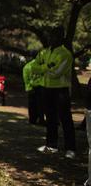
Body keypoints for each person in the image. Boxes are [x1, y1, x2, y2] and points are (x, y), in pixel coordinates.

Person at [34, 27, 75, 158]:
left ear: (61, 37)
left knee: (65, 119)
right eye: (50, 36)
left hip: (61, 90)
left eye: (55, 36)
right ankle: (51, 145)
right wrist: (47, 67)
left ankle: (70, 148)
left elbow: (56, 73)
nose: (51, 39)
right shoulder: (44, 52)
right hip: (46, 88)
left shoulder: (65, 54)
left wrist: (43, 68)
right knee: (50, 118)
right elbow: (33, 67)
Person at [23, 59, 41, 124]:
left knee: (31, 106)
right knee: (40, 105)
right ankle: (40, 119)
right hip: (40, 87)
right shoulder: (41, 65)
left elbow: (26, 79)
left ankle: (32, 120)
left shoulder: (27, 66)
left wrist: (28, 88)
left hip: (31, 88)